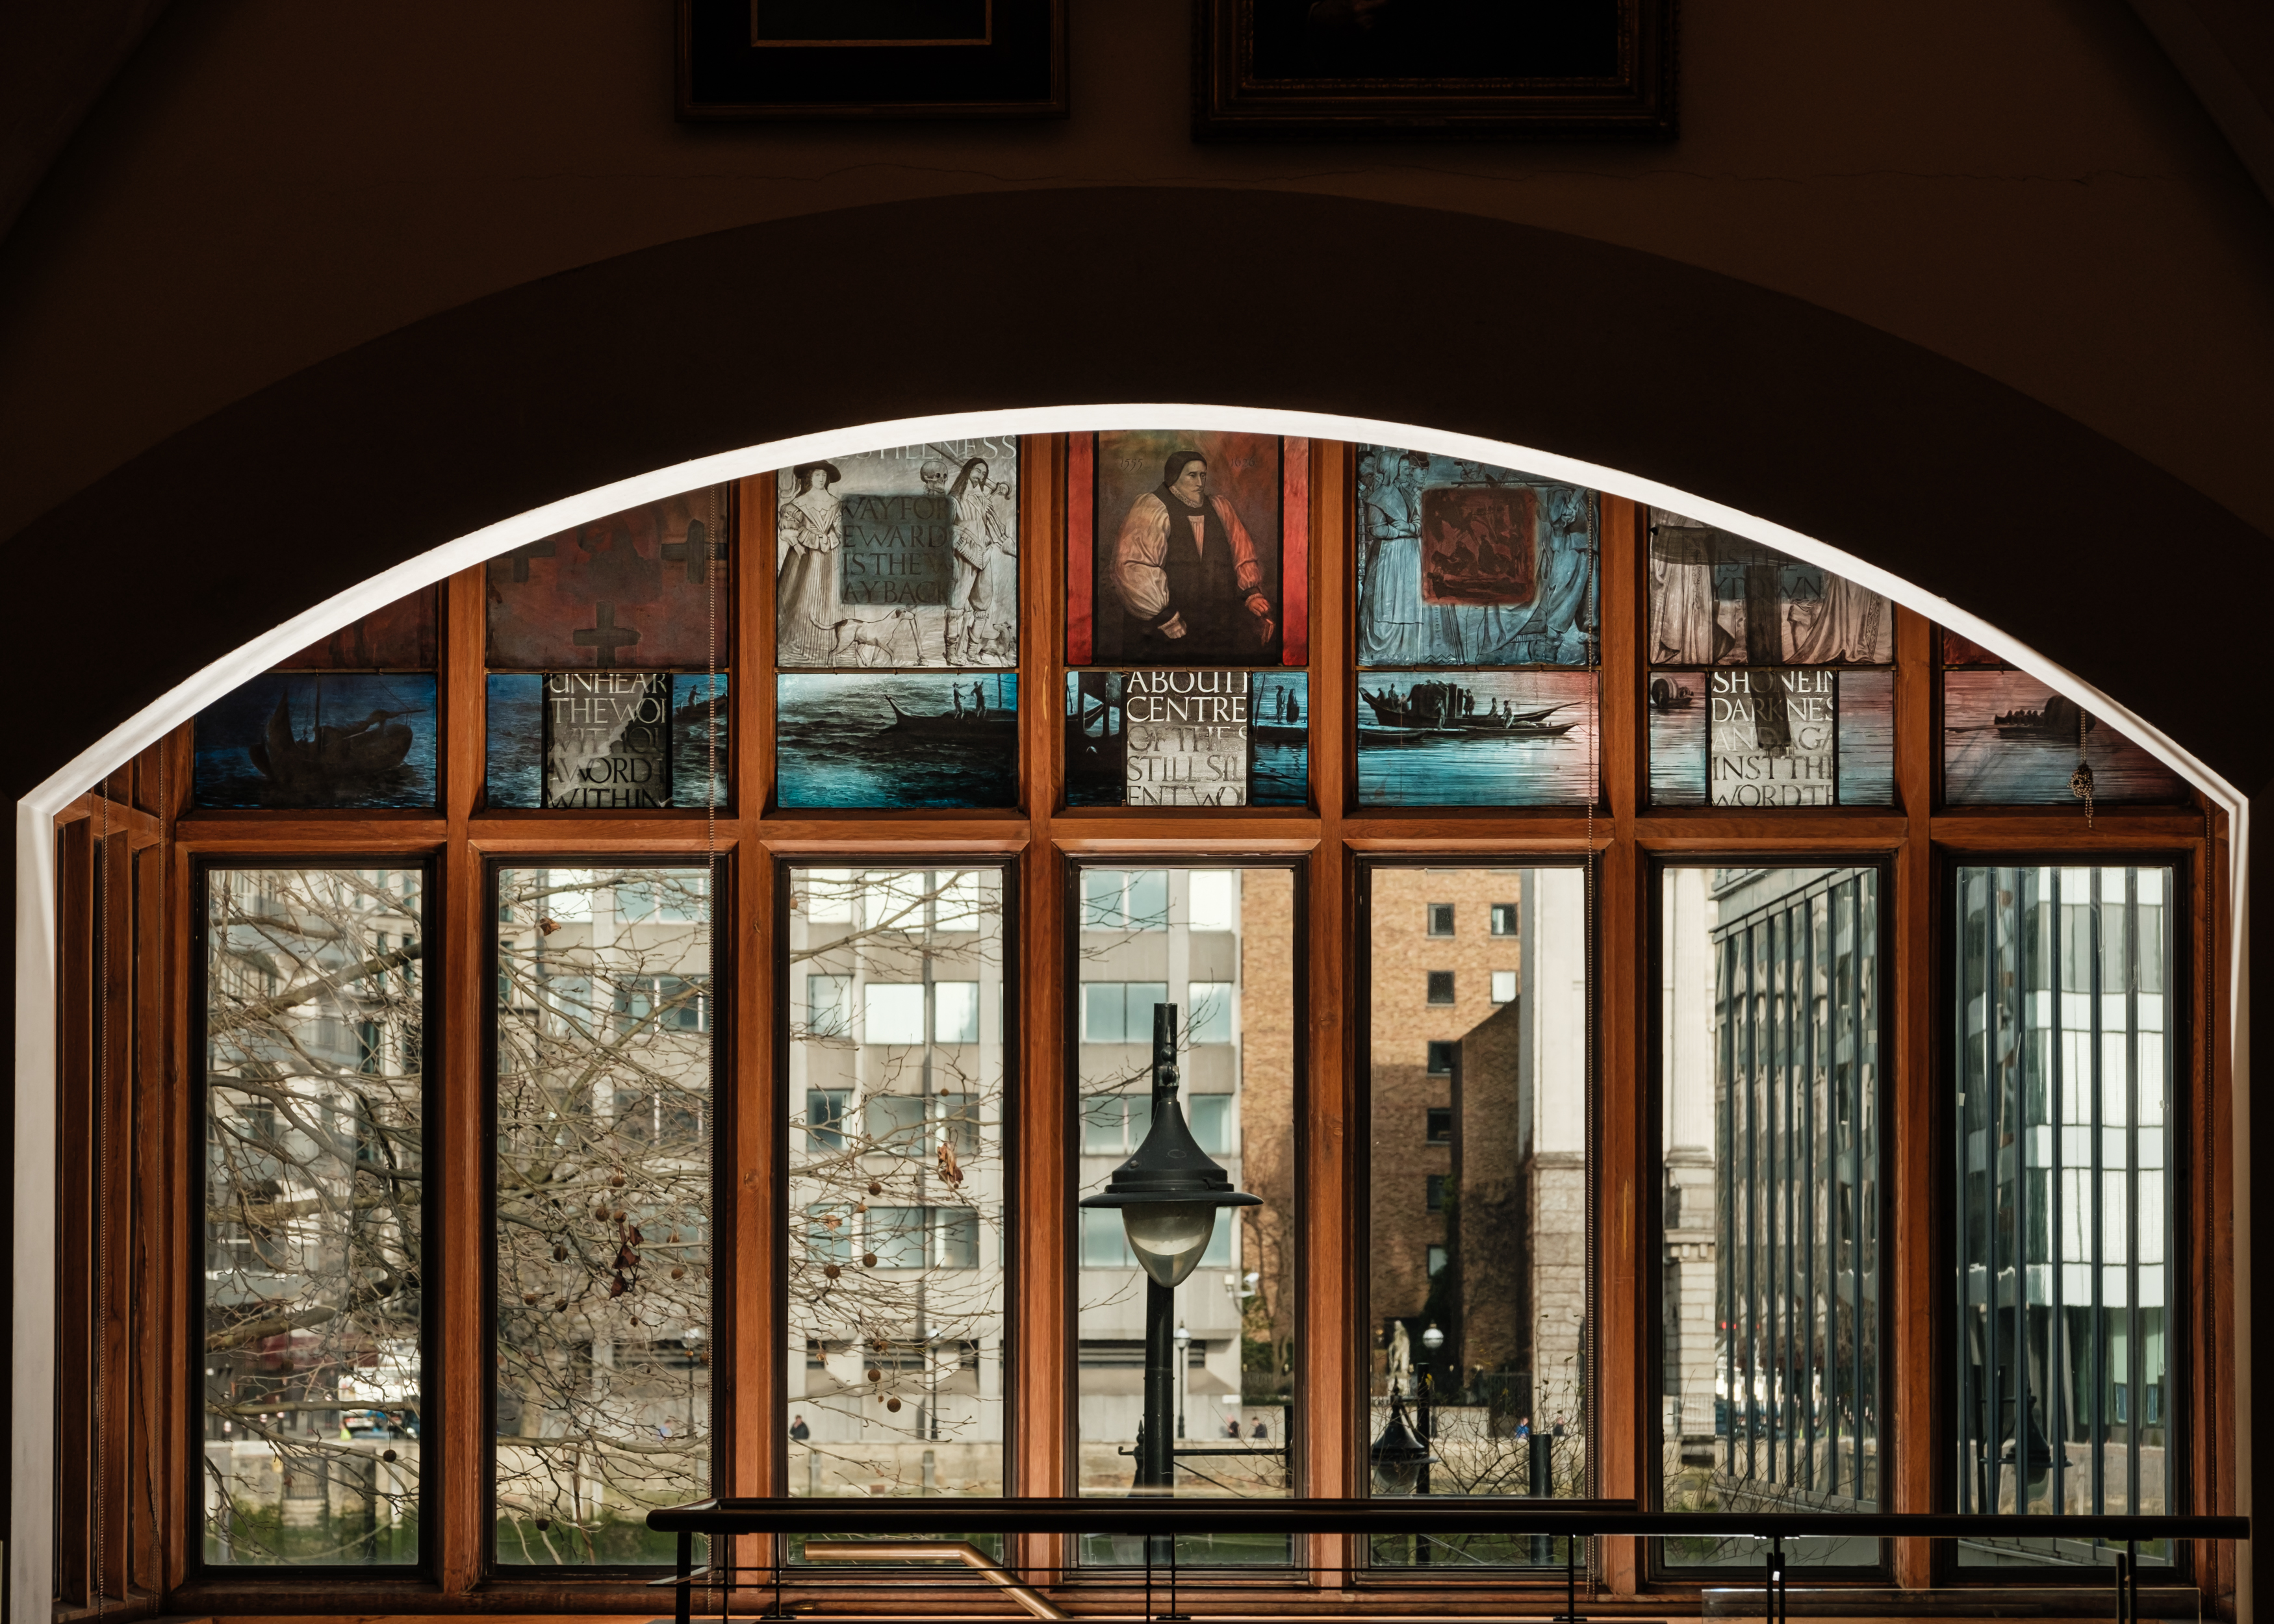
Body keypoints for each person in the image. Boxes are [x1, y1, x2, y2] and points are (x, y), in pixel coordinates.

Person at [1112, 450, 1274, 663]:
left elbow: (1241, 553)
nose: (1200, 482)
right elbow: (1135, 567)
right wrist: (1165, 616)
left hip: (1217, 622)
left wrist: (1252, 594)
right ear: (1174, 477)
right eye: (1192, 475)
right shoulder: (1151, 508)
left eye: (1203, 475)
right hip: (1165, 626)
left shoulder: (1220, 507)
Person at [777, 462, 844, 663]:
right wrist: (800, 545)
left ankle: (829, 642)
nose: (821, 479)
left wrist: (831, 537)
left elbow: (841, 527)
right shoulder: (797, 504)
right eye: (817, 475)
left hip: (831, 556)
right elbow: (789, 531)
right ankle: (800, 641)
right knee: (801, 594)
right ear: (808, 478)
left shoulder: (835, 503)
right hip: (805, 557)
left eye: (824, 475)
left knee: (830, 594)